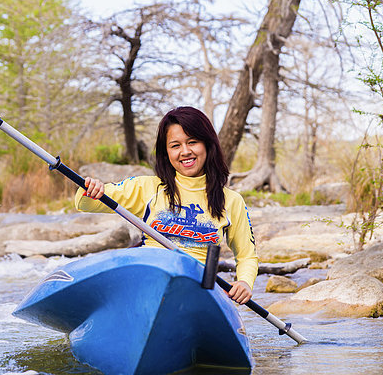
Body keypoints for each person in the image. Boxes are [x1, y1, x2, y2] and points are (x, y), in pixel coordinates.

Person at [75, 106, 258, 304]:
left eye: (193, 142)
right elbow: (85, 203)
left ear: (207, 145)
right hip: (149, 282)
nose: (185, 152)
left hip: (199, 292)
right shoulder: (147, 188)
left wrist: (244, 283)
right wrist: (90, 189)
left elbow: (247, 256)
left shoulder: (231, 201)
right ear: (166, 152)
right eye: (175, 145)